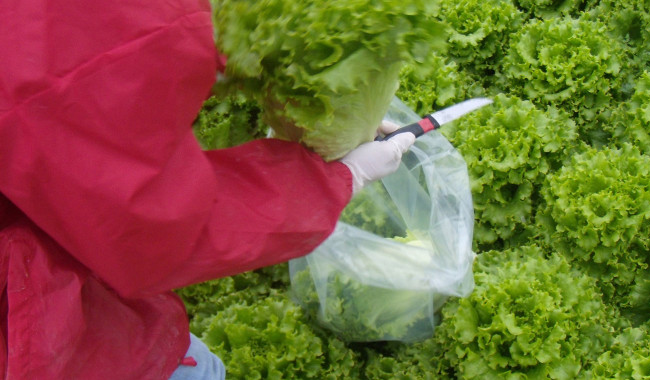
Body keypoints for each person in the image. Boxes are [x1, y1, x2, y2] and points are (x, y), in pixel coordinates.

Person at [0, 0, 416, 379]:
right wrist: (332, 181)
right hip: (30, 328)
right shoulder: (64, 72)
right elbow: (149, 234)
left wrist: (254, 56)